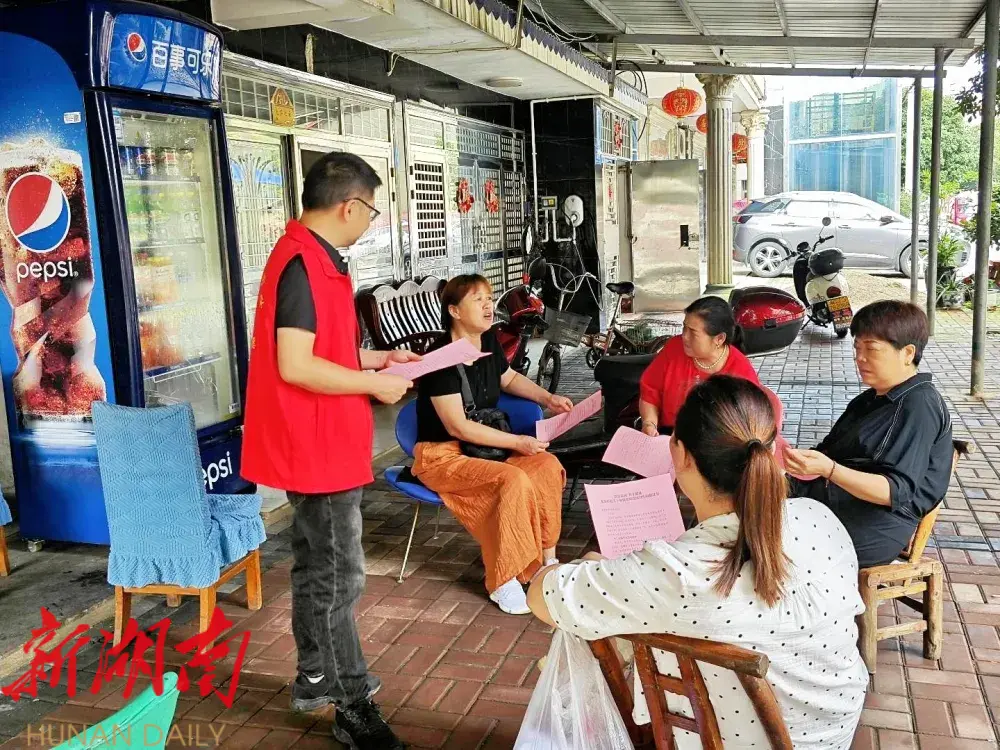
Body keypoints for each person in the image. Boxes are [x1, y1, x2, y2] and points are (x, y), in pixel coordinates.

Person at [527, 375, 867, 749]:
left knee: (595, 628)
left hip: (731, 743)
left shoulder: (679, 573)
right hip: (833, 734)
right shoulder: (819, 518)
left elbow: (543, 596)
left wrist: (589, 563)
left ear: (680, 454)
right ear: (770, 450)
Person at [242, 152, 414, 750]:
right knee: (340, 575)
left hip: (323, 440)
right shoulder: (302, 265)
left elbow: (322, 350)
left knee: (318, 566)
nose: (370, 220)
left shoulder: (314, 258)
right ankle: (352, 703)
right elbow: (295, 365)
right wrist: (371, 384)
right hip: (315, 446)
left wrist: (377, 360)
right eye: (372, 210)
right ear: (349, 206)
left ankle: (316, 676)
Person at [412, 274, 573, 615]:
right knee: (511, 480)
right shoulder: (438, 358)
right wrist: (517, 441)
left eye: (489, 298)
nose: (489, 306)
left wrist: (548, 398)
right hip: (444, 456)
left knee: (546, 466)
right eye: (478, 300)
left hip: (488, 447)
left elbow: (508, 378)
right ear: (454, 310)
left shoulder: (488, 341)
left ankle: (546, 564)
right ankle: (503, 578)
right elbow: (458, 426)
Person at [784, 300, 953, 568]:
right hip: (834, 501)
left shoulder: (919, 405)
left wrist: (829, 469)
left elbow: (893, 492)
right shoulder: (869, 400)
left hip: (875, 524)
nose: (860, 358)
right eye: (857, 348)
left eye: (871, 349)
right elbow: (828, 451)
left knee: (762, 539)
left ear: (907, 353)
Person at [638, 296, 760, 436]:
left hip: (717, 443)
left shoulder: (740, 370)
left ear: (719, 339)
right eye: (684, 328)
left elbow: (752, 420)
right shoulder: (674, 348)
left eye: (693, 333)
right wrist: (649, 424)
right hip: (668, 436)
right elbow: (650, 392)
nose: (684, 336)